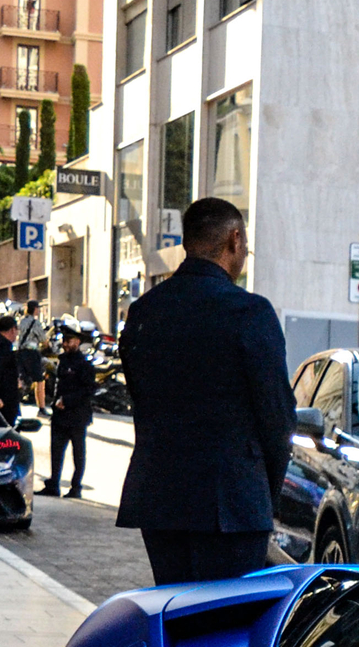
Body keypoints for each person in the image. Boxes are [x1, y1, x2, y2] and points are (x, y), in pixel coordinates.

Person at [116, 196, 294, 584]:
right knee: (224, 625)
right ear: (234, 240)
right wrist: (264, 497)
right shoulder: (250, 313)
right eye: (244, 244)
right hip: (231, 506)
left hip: (160, 498)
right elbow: (278, 422)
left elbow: (140, 399)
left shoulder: (144, 311)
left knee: (174, 611)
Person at [38, 325, 96, 498]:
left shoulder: (84, 365)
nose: (65, 344)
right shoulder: (63, 361)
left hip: (77, 416)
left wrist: (68, 401)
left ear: (77, 342)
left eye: (69, 341)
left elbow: (88, 389)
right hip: (60, 416)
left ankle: (75, 487)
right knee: (56, 451)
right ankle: (53, 484)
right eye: (64, 341)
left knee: (78, 453)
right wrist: (56, 402)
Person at [18, 299, 48, 412]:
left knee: (21, 379)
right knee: (39, 380)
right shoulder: (35, 323)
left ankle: (17, 405)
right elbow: (43, 340)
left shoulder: (21, 321)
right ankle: (41, 407)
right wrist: (46, 344)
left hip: (21, 352)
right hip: (32, 353)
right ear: (35, 309)